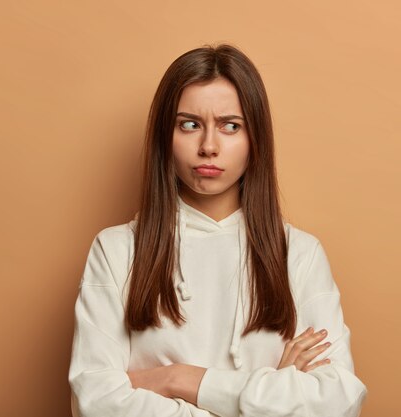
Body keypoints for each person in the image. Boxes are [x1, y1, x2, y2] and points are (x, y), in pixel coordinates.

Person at [68, 43, 368, 417]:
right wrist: (273, 393)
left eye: (230, 126)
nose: (208, 146)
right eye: (189, 124)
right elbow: (94, 403)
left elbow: (339, 401)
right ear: (166, 136)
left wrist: (178, 379)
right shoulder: (116, 250)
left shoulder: (299, 254)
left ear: (255, 139)